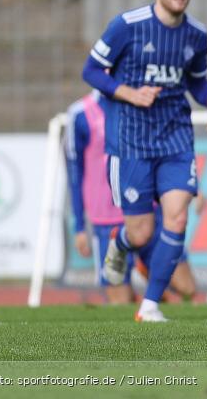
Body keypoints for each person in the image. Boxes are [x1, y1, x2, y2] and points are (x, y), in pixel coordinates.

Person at [81, 0, 207, 322]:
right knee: (141, 232)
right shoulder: (126, 26)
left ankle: (149, 306)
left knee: (177, 219)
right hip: (130, 141)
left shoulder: (196, 34)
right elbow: (92, 70)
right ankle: (120, 243)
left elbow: (196, 79)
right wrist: (128, 92)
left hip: (176, 138)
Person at [65, 90, 135, 304]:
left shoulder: (139, 102)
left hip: (146, 211)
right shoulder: (81, 113)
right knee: (118, 296)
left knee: (184, 285)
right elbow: (74, 173)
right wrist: (79, 227)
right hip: (108, 218)